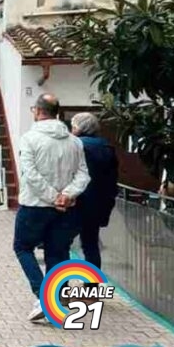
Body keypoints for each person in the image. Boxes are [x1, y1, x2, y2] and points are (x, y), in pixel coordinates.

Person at [14, 94, 90, 322]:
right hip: (66, 209)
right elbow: (84, 174)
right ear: (57, 113)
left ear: (37, 111)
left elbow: (30, 174)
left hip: (34, 206)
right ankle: (54, 299)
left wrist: (52, 196)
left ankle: (42, 295)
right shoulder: (75, 141)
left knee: (23, 247)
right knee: (58, 253)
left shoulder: (29, 139)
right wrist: (66, 195)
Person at [70, 112, 118, 270]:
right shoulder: (107, 148)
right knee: (91, 246)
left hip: (76, 201)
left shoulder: (76, 145)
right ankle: (92, 290)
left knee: (61, 245)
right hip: (98, 204)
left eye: (73, 125)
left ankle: (61, 288)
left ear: (79, 127)